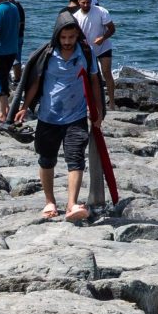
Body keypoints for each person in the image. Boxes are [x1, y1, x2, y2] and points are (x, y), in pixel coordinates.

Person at [14, 14, 103, 223]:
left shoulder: (86, 53)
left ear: (77, 35)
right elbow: (34, 82)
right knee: (47, 160)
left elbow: (94, 82)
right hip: (48, 116)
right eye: (63, 37)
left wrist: (98, 110)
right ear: (57, 35)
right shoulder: (47, 54)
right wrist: (24, 107)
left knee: (76, 159)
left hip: (77, 116)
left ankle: (72, 204)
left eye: (71, 37)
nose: (67, 41)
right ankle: (50, 201)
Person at [74, 0, 117, 108]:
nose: (86, 5)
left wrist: (102, 38)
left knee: (107, 72)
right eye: (83, 3)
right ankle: (89, 102)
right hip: (88, 50)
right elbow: (75, 35)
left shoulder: (101, 11)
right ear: (79, 2)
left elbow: (112, 29)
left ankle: (112, 103)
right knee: (88, 75)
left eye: (88, 2)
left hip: (104, 47)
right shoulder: (76, 17)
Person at [5, 0, 26, 85]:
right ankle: (17, 78)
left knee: (15, 58)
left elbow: (18, 23)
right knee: (16, 58)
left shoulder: (15, 7)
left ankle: (17, 79)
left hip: (16, 36)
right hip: (18, 36)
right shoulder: (17, 6)